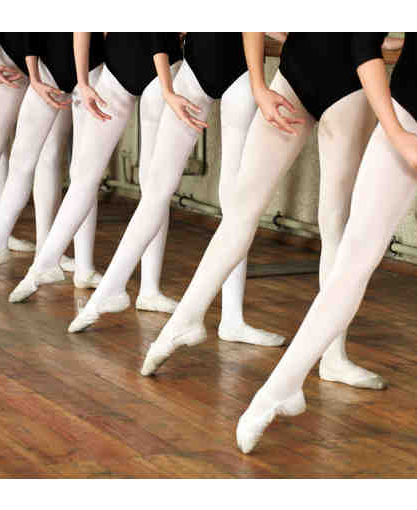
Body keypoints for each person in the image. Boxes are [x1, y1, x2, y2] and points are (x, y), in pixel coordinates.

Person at [237, 33, 417, 454]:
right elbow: (363, 44)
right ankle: (278, 389)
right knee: (353, 262)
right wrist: (395, 132)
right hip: (408, 112)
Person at [141, 33, 386, 392]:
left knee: (334, 223)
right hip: (295, 78)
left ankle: (333, 355)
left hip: (347, 83)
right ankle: (184, 320)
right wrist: (258, 85)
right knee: (243, 208)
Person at [69, 33, 283, 347]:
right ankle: (109, 290)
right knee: (162, 192)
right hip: (217, 73)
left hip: (229, 73)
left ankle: (232, 318)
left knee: (232, 204)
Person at [8, 32, 183, 302]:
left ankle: (42, 268)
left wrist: (83, 81)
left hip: (122, 65)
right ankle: (147, 290)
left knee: (103, 181)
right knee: (147, 188)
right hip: (153, 70)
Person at [0, 33, 105, 283]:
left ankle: (82, 266)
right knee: (24, 162)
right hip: (54, 66)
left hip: (86, 67)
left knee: (82, 172)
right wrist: (35, 77)